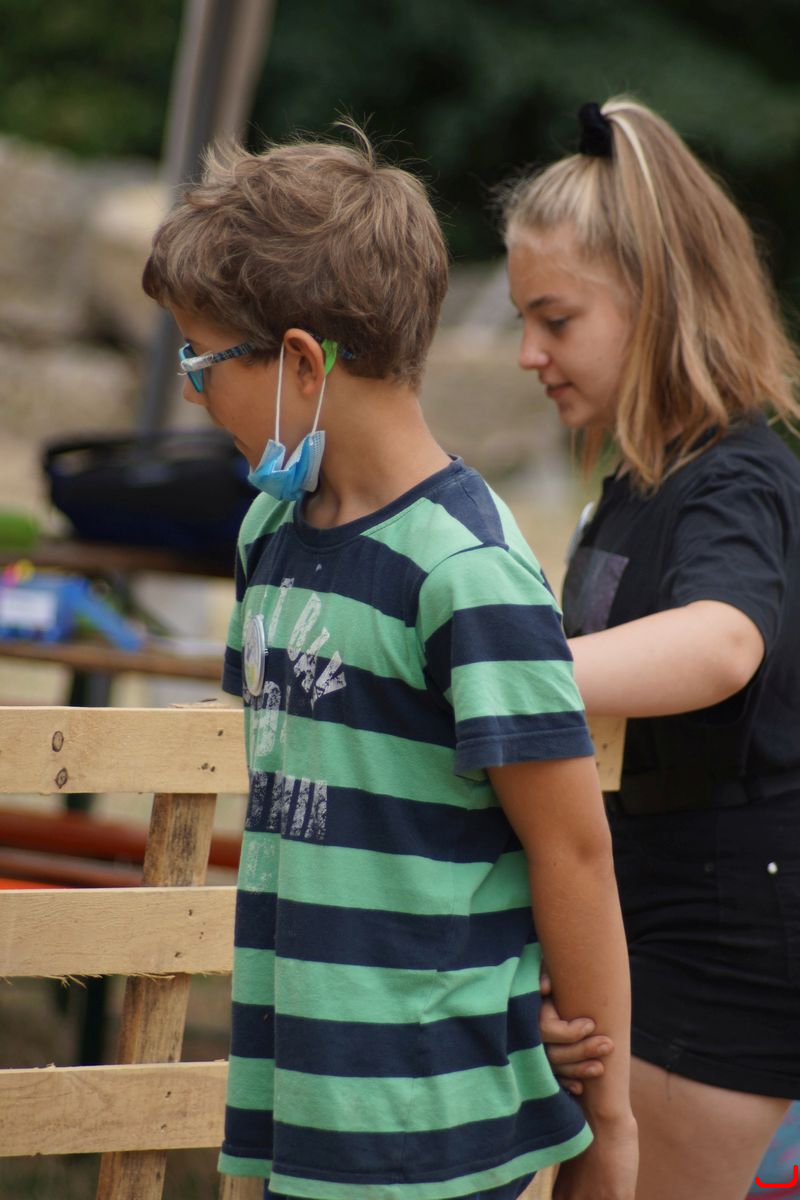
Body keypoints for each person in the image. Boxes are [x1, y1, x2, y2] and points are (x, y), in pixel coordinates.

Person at [141, 129, 637, 1200]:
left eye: (202, 362)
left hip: (428, 1123)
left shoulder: (465, 571)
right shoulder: (266, 536)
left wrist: (609, 1121)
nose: (190, 394)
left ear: (301, 362)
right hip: (304, 1098)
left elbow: (571, 848)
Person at [501, 96, 800, 1200]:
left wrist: (501, 671)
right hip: (643, 918)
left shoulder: (735, 477)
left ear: (659, 299)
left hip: (725, 942)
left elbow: (722, 643)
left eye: (556, 319)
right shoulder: (634, 481)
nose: (528, 353)